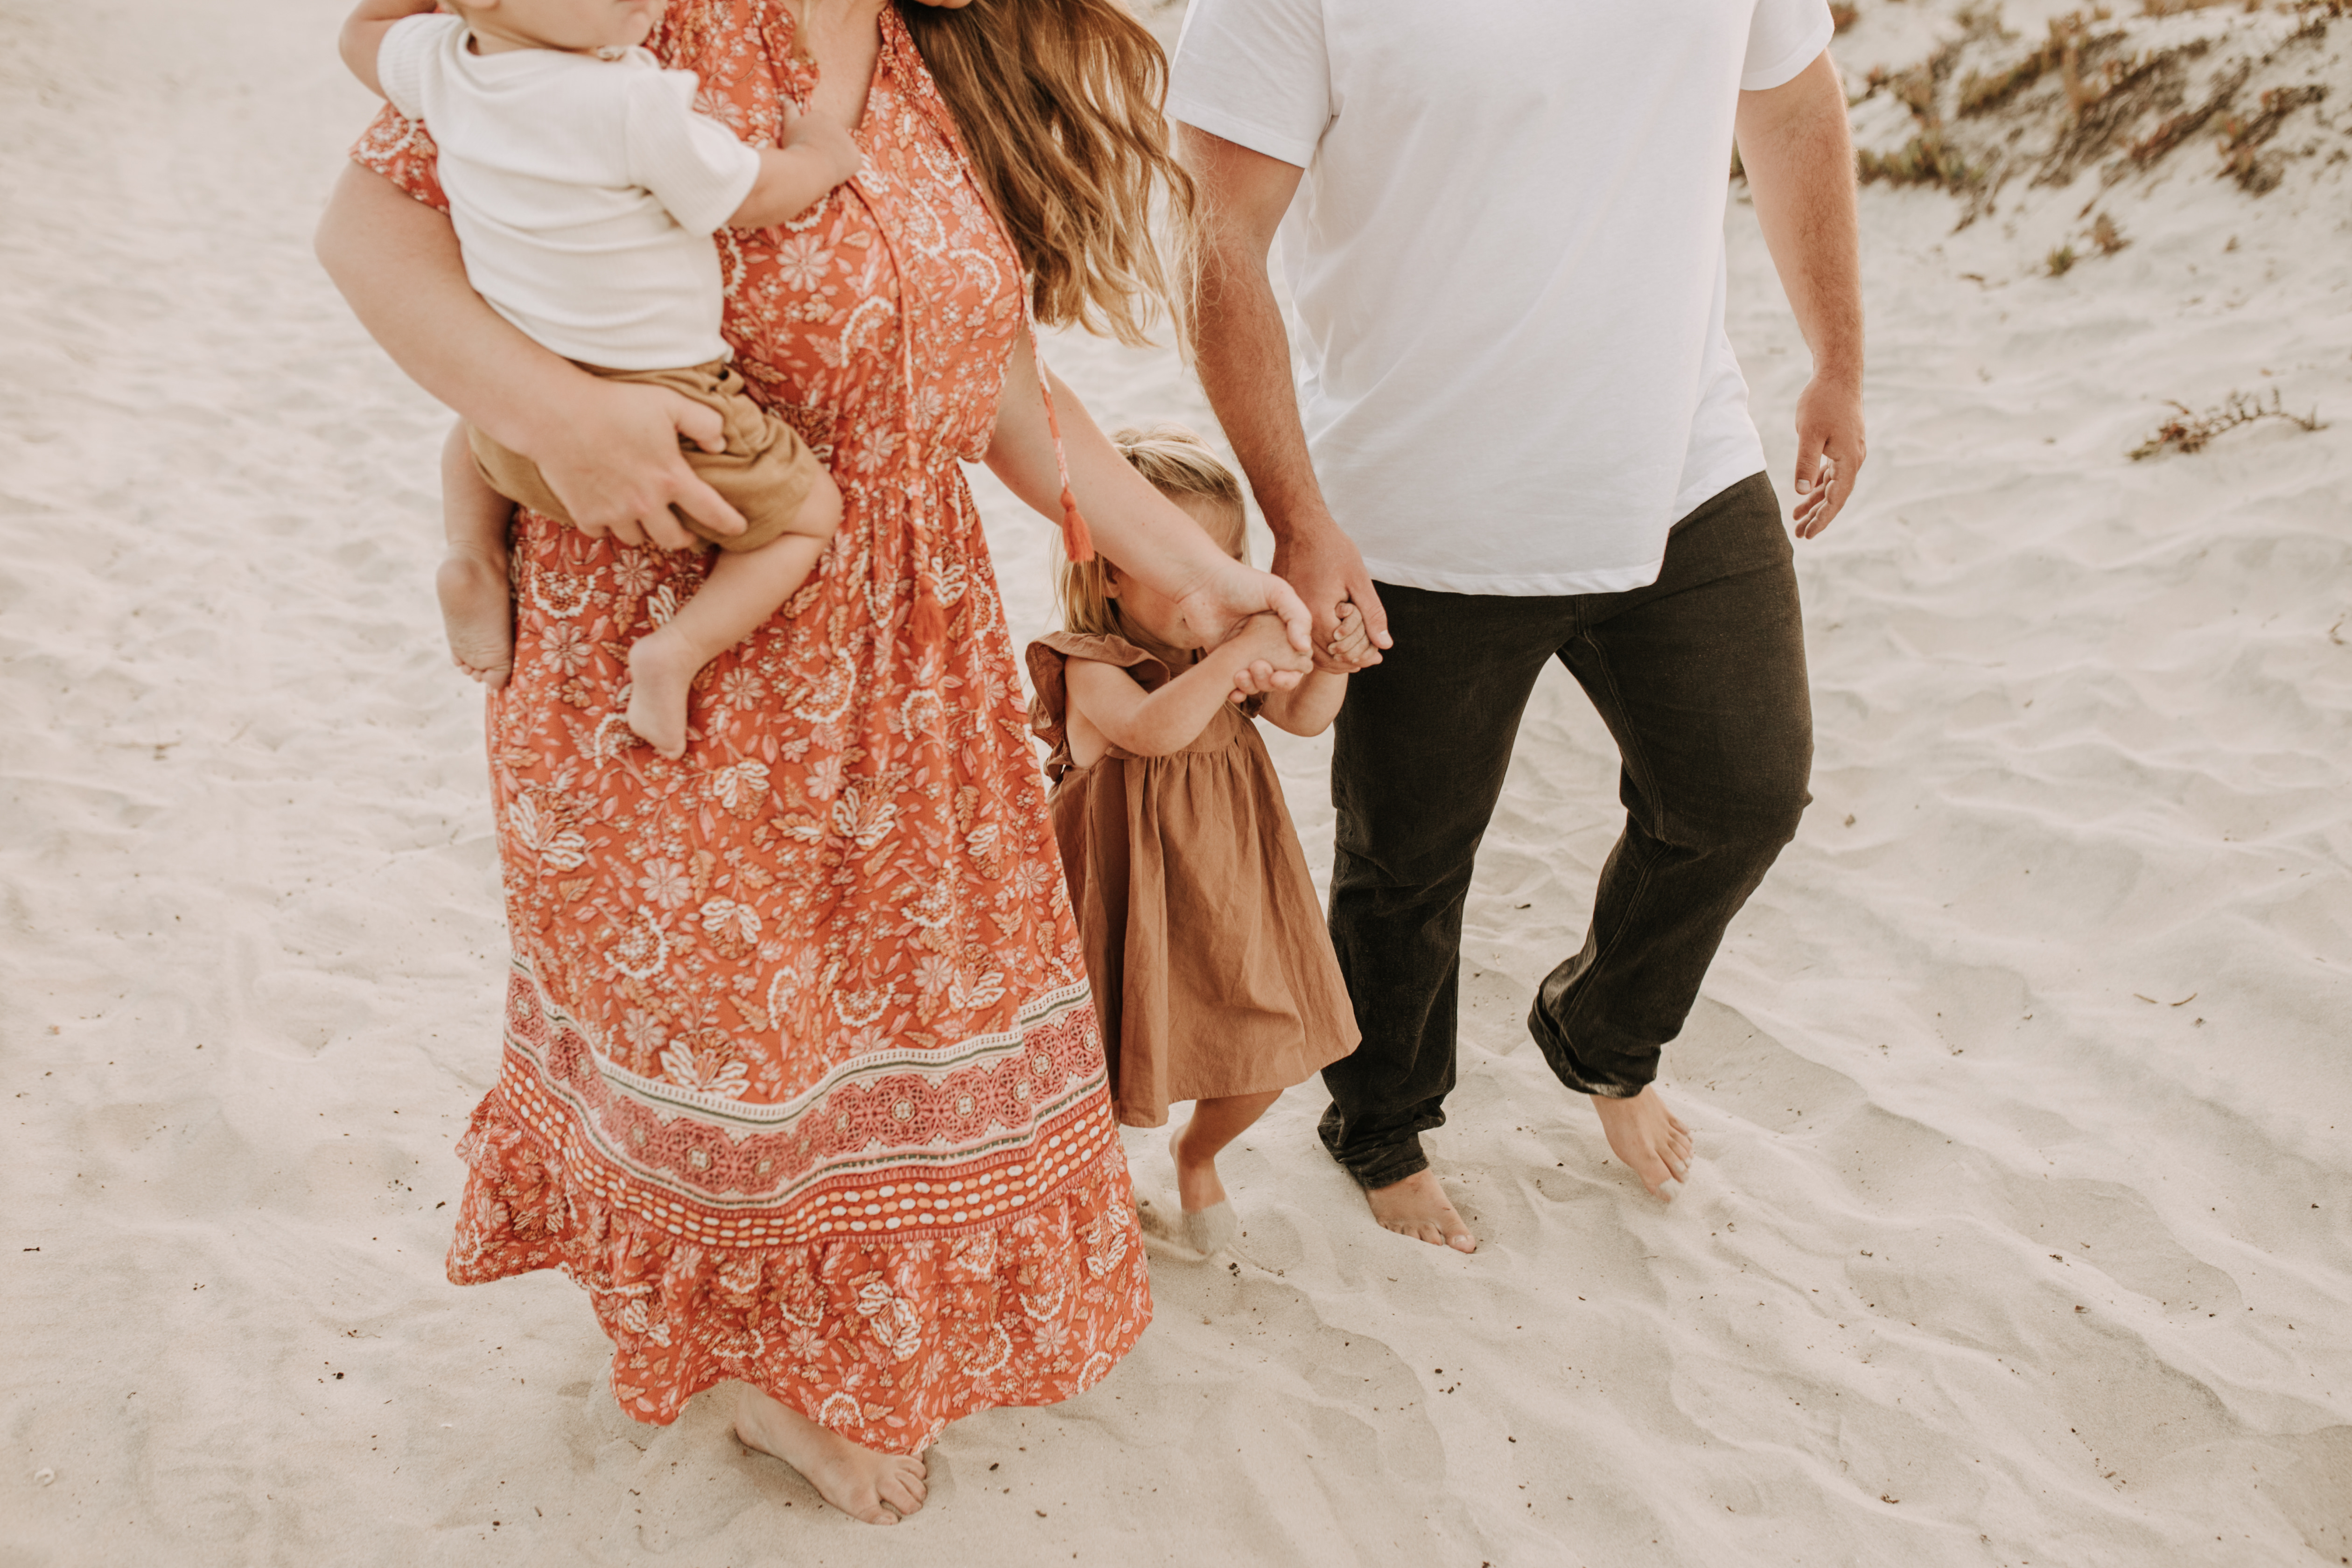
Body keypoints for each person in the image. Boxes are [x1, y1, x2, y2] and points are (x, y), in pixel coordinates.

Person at [315, 0, 1313, 1526]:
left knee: (860, 1038)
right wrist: (554, 415)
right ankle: (754, 1372)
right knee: (736, 1044)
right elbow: (367, 228)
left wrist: (1184, 570)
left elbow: (991, 386)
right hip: (671, 648)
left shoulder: (927, 54)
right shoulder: (645, 23)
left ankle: (822, 1342)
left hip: (912, 668)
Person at [1170, 0, 1867, 1250]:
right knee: (1408, 866)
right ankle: (1378, 1125)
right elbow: (1219, 237)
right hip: (1420, 508)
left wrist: (1838, 363)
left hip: (1680, 463)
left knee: (1745, 794)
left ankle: (1601, 1031)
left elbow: (1794, 102)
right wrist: (1300, 513)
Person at [339, 0, 860, 758]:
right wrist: (822, 156)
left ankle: (473, 554)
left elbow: (362, 31)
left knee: (469, 421)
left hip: (516, 424)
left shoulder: (445, 65)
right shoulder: (628, 102)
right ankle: (676, 651)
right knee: (811, 513)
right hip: (667, 405)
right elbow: (750, 198)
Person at [1026, 426, 1366, 1257]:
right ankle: (1091, 1181)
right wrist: (1236, 656)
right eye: (1184, 568)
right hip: (1121, 896)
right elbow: (1152, 731)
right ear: (1108, 569)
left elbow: (1303, 717)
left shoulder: (1220, 652)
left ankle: (1198, 1151)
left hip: (1225, 886)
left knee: (1275, 1041)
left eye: (1229, 560)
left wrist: (1330, 661)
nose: (1211, 590)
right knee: (1099, 1061)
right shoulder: (1091, 662)